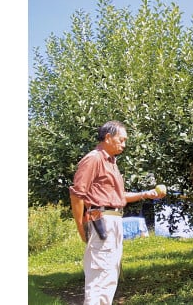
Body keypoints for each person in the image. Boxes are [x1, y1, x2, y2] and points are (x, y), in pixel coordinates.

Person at [69, 120, 165, 305]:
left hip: (113, 221)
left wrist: (145, 194)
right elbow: (77, 195)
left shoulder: (111, 162)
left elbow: (118, 196)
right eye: (121, 140)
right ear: (108, 137)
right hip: (101, 221)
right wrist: (81, 227)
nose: (124, 144)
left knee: (110, 275)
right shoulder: (94, 159)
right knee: (99, 276)